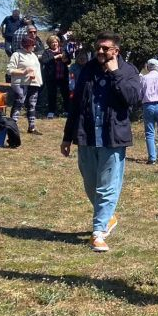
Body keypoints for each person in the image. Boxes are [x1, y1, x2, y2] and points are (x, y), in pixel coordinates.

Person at [60, 32, 142, 253]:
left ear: (116, 51)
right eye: (99, 47)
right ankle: (108, 217)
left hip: (112, 138)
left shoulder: (128, 71)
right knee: (91, 185)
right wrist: (67, 137)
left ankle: (97, 233)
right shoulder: (88, 70)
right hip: (86, 136)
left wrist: (115, 74)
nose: (100, 51)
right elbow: (76, 104)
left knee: (106, 187)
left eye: (106, 48)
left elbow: (133, 100)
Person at [7, 36, 43, 133]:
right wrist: (24, 72)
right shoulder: (17, 54)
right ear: (27, 45)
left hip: (33, 83)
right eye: (32, 45)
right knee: (19, 103)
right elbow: (9, 70)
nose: (34, 47)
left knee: (32, 105)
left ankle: (32, 127)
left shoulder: (33, 55)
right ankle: (12, 126)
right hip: (21, 83)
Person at [40, 35, 71, 119]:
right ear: (49, 44)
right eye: (52, 42)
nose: (54, 44)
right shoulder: (47, 52)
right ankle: (51, 111)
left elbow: (69, 61)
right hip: (51, 77)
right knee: (52, 94)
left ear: (58, 43)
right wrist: (55, 57)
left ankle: (67, 111)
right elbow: (44, 61)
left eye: (56, 42)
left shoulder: (63, 50)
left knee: (65, 94)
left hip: (63, 76)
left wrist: (66, 59)